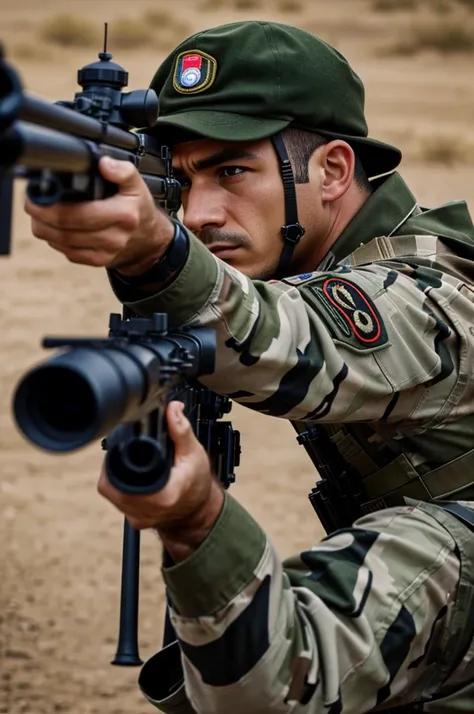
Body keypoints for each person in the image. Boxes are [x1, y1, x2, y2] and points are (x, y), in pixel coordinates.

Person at [25, 19, 474, 712]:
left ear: (332, 172)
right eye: (182, 180)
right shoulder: (325, 257)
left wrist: (157, 254)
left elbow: (300, 336)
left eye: (233, 170)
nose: (200, 213)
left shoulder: (432, 297)